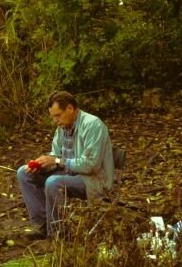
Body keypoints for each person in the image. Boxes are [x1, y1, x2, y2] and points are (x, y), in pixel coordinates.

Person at [17, 91, 114, 238]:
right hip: (70, 174)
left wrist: (57, 161)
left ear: (70, 108)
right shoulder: (62, 128)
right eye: (53, 117)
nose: (55, 121)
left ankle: (58, 234)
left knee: (53, 182)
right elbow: (56, 155)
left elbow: (90, 165)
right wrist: (42, 163)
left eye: (58, 115)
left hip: (94, 179)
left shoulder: (93, 125)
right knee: (23, 173)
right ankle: (42, 226)